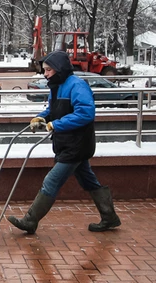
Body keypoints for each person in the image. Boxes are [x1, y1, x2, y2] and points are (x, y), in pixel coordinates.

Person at [8, 50, 120, 234]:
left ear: (59, 69)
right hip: (67, 143)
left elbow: (86, 113)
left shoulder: (77, 86)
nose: (45, 74)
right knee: (89, 181)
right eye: (44, 70)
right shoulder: (57, 85)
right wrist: (40, 117)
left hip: (77, 144)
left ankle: (30, 220)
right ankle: (109, 217)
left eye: (49, 70)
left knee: (51, 181)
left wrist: (57, 124)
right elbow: (53, 110)